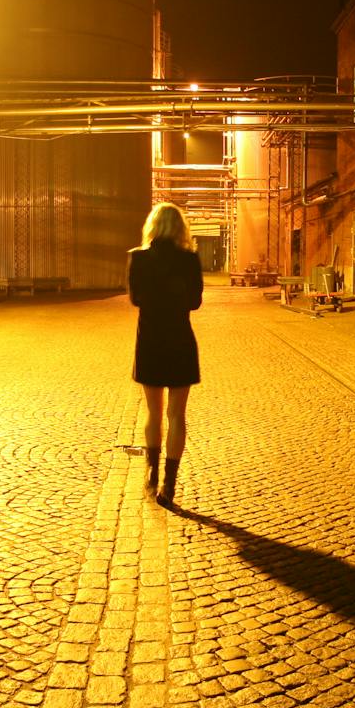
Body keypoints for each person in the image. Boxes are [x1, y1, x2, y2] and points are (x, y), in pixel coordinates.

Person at [129, 202, 203, 507]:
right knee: (176, 415)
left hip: (150, 339)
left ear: (153, 225)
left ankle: (151, 473)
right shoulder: (190, 260)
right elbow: (195, 302)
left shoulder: (139, 258)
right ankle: (169, 486)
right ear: (180, 228)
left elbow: (136, 299)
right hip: (180, 339)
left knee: (153, 412)